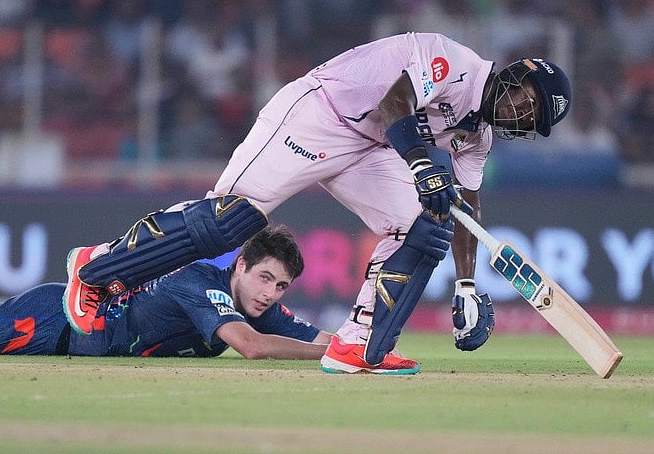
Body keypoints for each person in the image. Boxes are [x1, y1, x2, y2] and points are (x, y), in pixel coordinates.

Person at [63, 31, 572, 374]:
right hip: (319, 114)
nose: (523, 114)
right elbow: (395, 103)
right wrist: (422, 164)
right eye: (527, 99)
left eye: (533, 119)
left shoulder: (478, 138)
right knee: (232, 220)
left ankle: (359, 344)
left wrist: (466, 285)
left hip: (371, 148)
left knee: (426, 222)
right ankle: (98, 267)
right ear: (515, 74)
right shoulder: (452, 62)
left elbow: (467, 207)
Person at [0, 227, 422, 369]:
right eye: (264, 278)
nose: (271, 293)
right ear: (240, 266)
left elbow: (308, 332)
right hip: (56, 322)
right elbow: (253, 347)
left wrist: (362, 344)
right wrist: (339, 355)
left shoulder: (259, 305)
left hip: (79, 339)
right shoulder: (202, 286)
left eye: (280, 286)